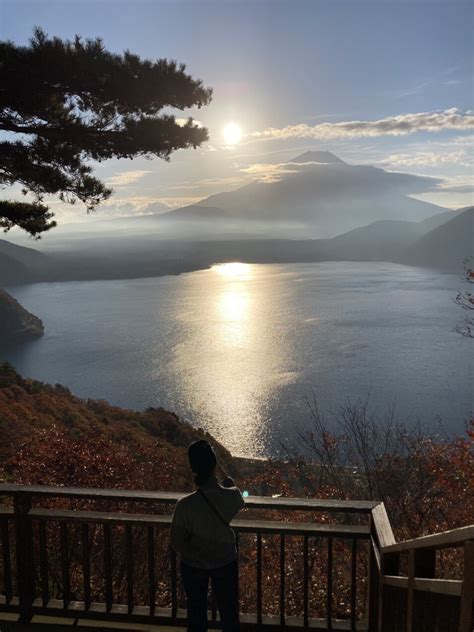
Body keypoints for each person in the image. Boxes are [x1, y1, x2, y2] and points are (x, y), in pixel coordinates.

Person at [170, 439, 245, 632]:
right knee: (229, 615)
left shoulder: (184, 505)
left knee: (196, 615)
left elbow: (176, 541)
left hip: (194, 565)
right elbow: (237, 497)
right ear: (214, 465)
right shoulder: (232, 496)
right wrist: (226, 480)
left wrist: (193, 554)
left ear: (193, 468)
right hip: (225, 561)